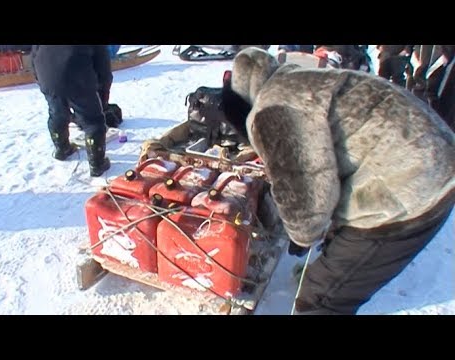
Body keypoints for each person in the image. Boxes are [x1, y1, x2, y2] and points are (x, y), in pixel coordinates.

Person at [195, 47, 455, 315]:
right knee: (337, 232)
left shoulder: (271, 111)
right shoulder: (299, 80)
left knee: (321, 295)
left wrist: (301, 233)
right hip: (433, 151)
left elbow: (309, 196)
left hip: (414, 187)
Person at [31, 45, 112, 177]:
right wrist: (103, 99)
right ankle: (97, 164)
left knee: (57, 114)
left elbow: (33, 56)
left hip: (47, 77)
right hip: (77, 80)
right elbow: (103, 69)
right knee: (93, 122)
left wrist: (40, 80)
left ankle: (62, 149)